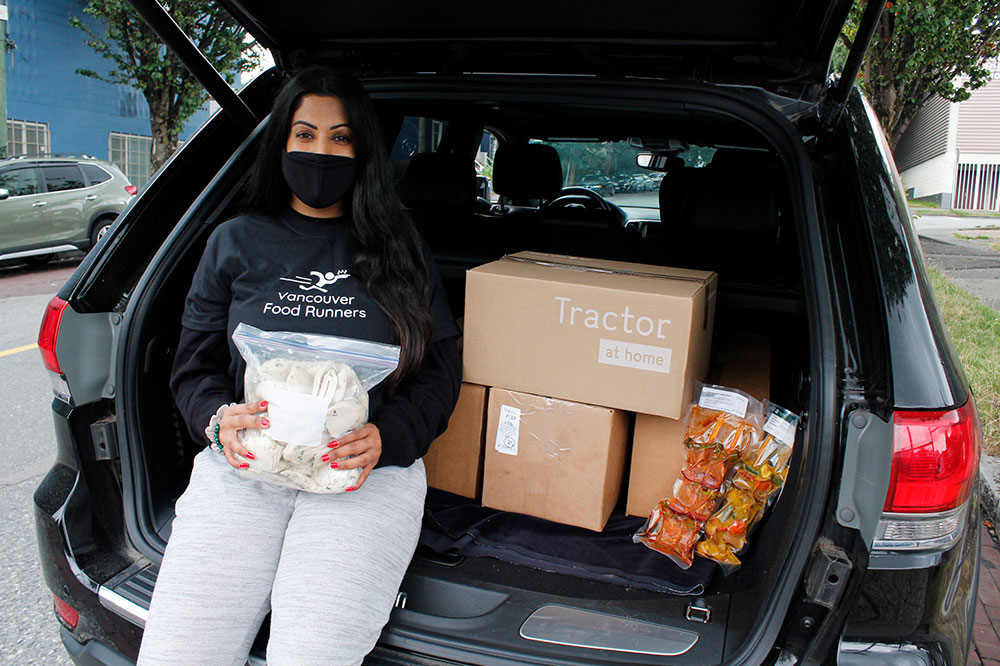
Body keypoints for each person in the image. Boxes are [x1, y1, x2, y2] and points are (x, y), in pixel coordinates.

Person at [137, 67, 461, 666]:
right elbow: (193, 365)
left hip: (362, 475)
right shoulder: (234, 240)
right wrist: (215, 420)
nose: (321, 151)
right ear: (280, 142)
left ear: (362, 149)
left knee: (310, 654)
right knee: (180, 651)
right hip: (247, 467)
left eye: (340, 138)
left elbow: (442, 366)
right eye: (305, 133)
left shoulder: (396, 243)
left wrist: (391, 438)